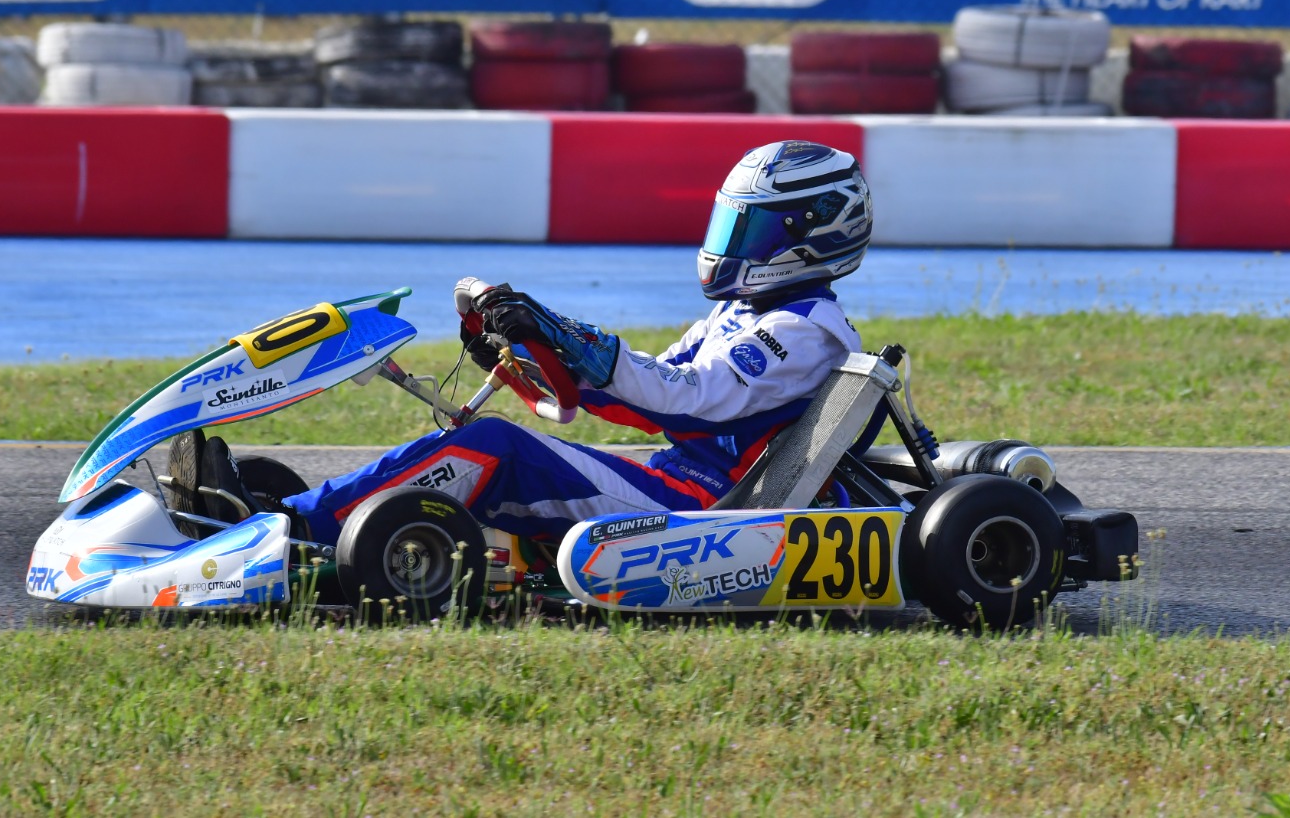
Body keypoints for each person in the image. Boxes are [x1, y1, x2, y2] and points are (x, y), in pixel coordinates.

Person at [281, 139, 873, 546]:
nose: (732, 243)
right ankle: (291, 512)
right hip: (674, 480)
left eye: (753, 228)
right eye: (731, 225)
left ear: (811, 234)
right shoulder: (743, 313)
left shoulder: (803, 333)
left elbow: (683, 397)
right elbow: (644, 396)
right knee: (476, 439)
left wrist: (563, 332)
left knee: (496, 449)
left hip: (705, 512)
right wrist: (540, 363)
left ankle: (297, 531)